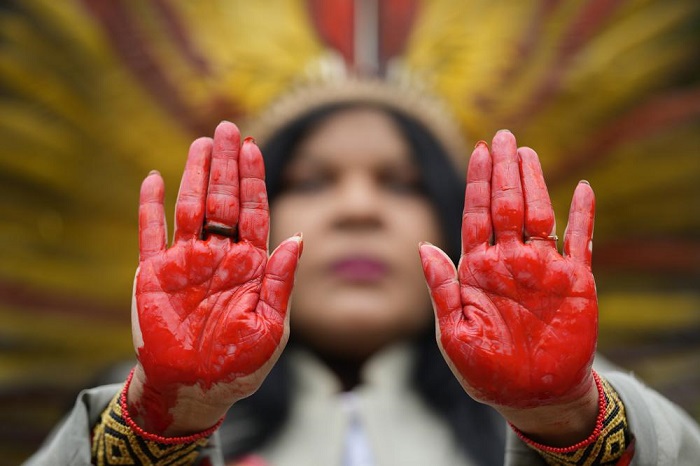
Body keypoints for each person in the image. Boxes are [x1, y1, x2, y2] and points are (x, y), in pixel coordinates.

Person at [24, 80, 700, 466]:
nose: (358, 209)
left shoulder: (577, 397)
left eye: (400, 184)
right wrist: (171, 418)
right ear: (249, 217)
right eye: (313, 181)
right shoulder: (143, 399)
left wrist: (560, 417)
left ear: (453, 221)